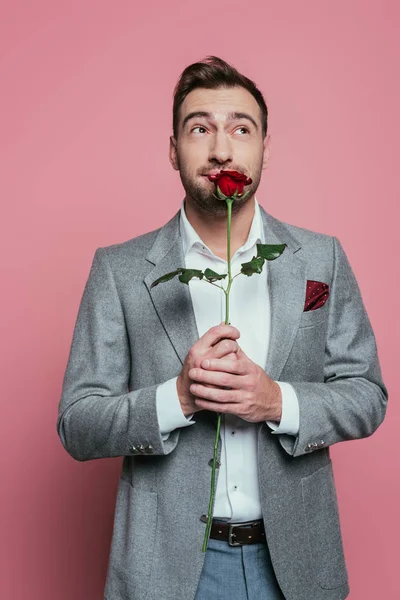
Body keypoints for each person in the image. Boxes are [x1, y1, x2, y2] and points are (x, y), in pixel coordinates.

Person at [57, 55, 388, 600]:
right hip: (167, 572)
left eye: (241, 128)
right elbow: (77, 423)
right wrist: (178, 398)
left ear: (264, 147)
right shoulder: (117, 271)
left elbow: (368, 395)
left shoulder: (321, 261)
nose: (220, 148)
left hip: (297, 567)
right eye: (200, 129)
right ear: (173, 150)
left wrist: (276, 401)